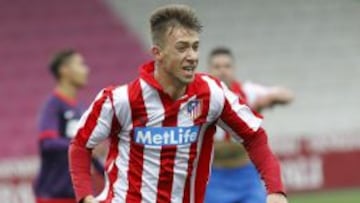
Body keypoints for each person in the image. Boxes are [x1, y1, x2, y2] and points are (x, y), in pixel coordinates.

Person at [69, 5, 288, 203]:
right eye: (182, 48)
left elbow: (254, 136)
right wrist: (84, 197)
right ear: (158, 53)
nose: (192, 56)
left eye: (195, 47)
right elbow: (80, 144)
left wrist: (275, 190)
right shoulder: (120, 100)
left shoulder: (211, 94)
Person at [205, 47, 293, 203]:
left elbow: (287, 95)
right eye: (217, 67)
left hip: (246, 175)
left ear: (233, 69)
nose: (222, 71)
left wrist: (270, 98)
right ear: (209, 70)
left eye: (227, 66)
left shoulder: (248, 92)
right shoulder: (201, 97)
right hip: (213, 177)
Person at [34, 49, 103, 203]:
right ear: (64, 70)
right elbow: (47, 143)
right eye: (80, 64)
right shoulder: (53, 105)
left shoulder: (81, 109)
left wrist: (110, 175)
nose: (86, 70)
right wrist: (84, 146)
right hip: (53, 195)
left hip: (77, 194)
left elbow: (90, 153)